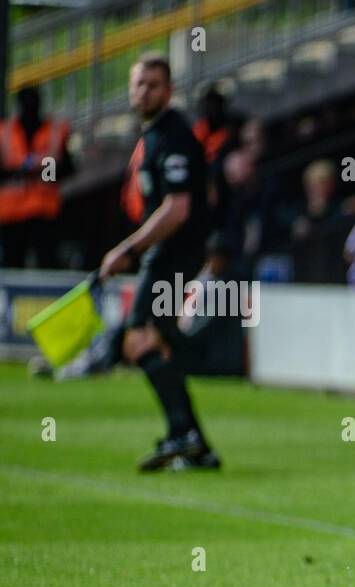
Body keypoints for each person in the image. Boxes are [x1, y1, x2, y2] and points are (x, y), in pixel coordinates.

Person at [98, 54, 219, 472]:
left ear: (168, 90)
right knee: (160, 343)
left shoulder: (174, 135)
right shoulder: (153, 136)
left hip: (173, 252)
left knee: (138, 340)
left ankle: (182, 433)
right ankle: (196, 445)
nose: (144, 91)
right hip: (166, 252)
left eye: (153, 84)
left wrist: (128, 250)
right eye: (138, 84)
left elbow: (178, 208)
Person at [0, 86, 71, 269]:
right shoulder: (5, 131)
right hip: (12, 212)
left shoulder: (54, 131)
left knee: (47, 262)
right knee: (13, 264)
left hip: (43, 210)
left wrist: (43, 170)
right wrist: (19, 171)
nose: (30, 105)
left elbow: (65, 169)